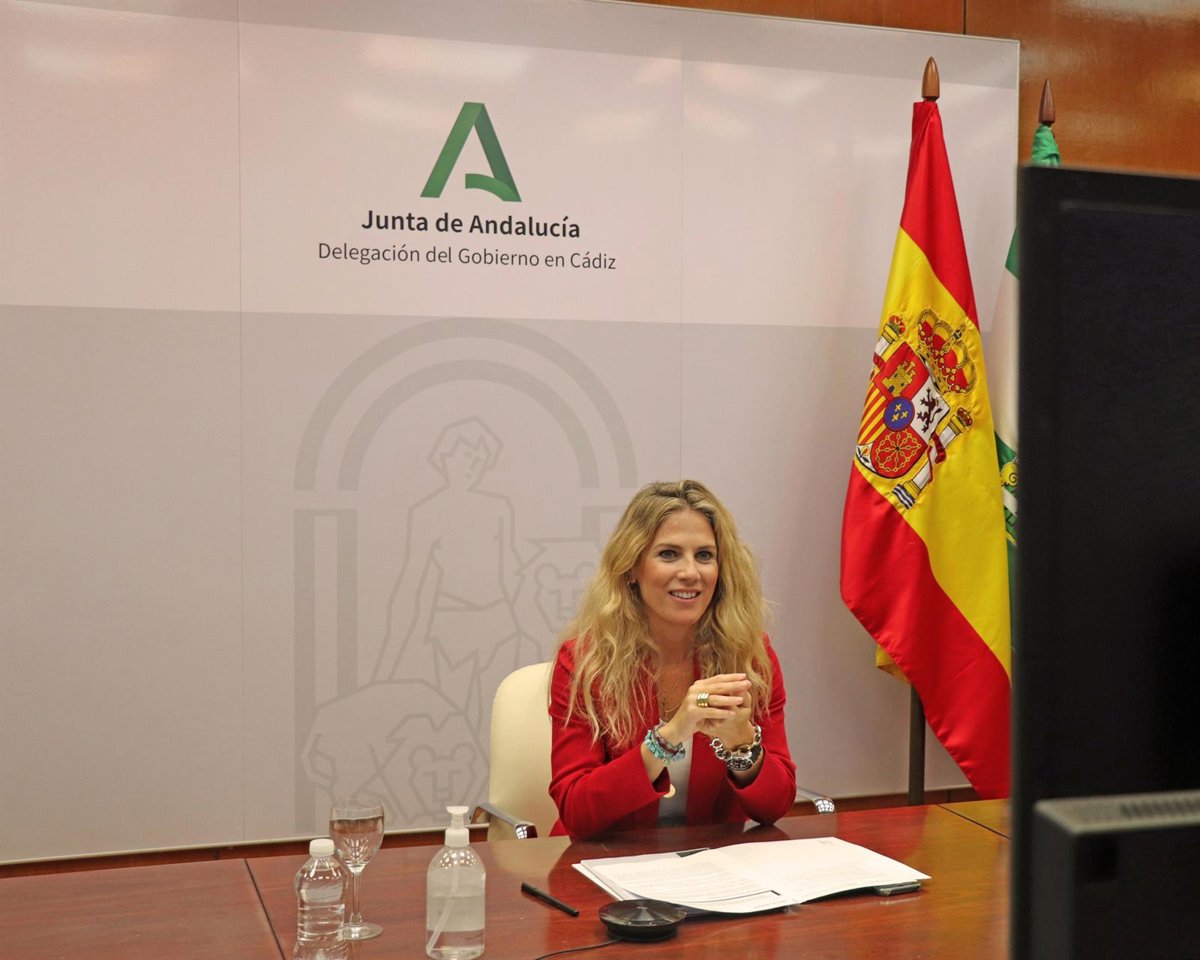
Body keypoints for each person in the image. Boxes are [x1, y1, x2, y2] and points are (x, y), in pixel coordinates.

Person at [549, 479, 796, 838]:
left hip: (711, 863)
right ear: (631, 568)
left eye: (705, 555)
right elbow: (577, 811)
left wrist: (742, 741)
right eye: (668, 554)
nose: (691, 573)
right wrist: (670, 736)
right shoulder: (585, 661)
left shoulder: (749, 656)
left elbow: (775, 807)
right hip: (604, 862)